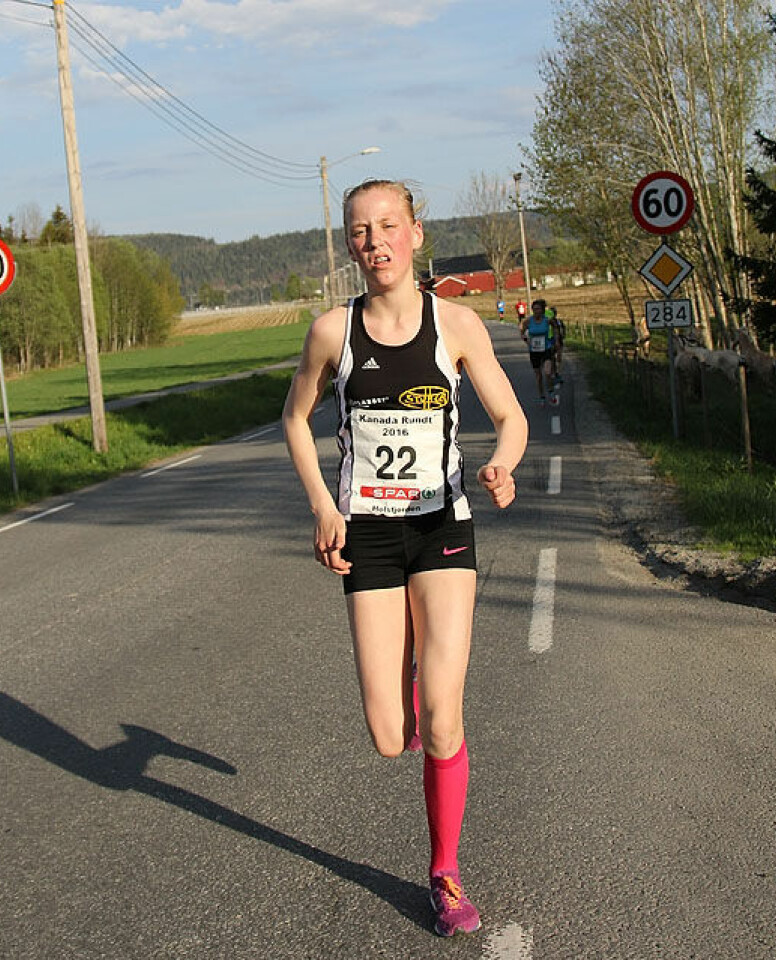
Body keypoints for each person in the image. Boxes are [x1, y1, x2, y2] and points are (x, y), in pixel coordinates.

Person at [283, 179, 527, 938]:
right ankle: (414, 677)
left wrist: (502, 463)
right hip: (370, 536)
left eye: (389, 225)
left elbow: (509, 415)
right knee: (390, 736)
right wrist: (325, 505)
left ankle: (446, 875)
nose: (375, 241)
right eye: (360, 230)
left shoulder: (455, 324)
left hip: (443, 531)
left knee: (442, 722)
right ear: (349, 243)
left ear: (416, 234)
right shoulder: (332, 333)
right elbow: (294, 418)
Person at [520, 299, 556, 404]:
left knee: (548, 372)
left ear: (542, 310)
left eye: (538, 309)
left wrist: (555, 340)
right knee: (538, 376)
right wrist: (526, 340)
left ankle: (550, 391)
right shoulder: (528, 321)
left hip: (546, 349)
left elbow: (555, 328)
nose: (536, 311)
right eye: (534, 309)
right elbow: (522, 331)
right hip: (534, 351)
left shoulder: (547, 320)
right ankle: (542, 396)